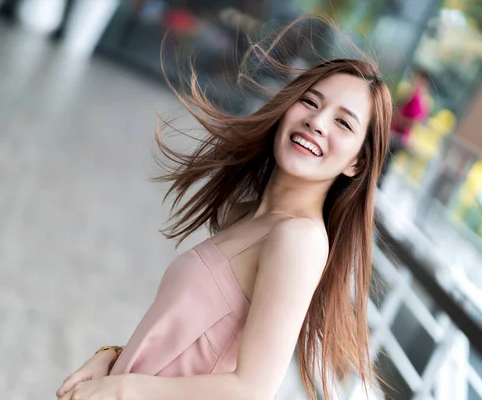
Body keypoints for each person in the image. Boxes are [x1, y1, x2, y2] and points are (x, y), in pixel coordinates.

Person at [56, 19, 392, 400]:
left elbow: (252, 388)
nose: (317, 122)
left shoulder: (299, 239)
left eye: (343, 123)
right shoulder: (247, 214)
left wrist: (125, 387)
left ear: (357, 164)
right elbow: (188, 349)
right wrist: (112, 361)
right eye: (311, 102)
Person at [378, 67, 431, 187]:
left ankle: (377, 183)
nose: (413, 79)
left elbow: (413, 121)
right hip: (397, 134)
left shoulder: (418, 98)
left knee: (384, 158)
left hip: (399, 136)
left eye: (417, 77)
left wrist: (398, 119)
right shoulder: (414, 95)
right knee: (385, 160)